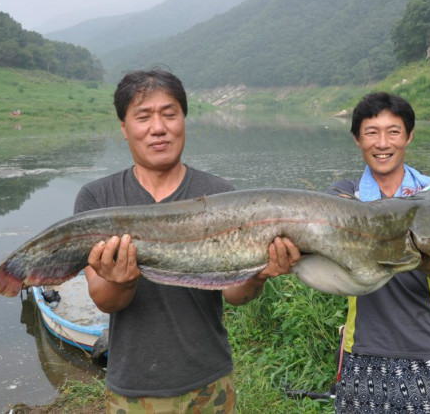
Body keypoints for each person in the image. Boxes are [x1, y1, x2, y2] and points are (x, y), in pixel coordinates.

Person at [74, 68, 300, 413]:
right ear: (124, 127)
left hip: (209, 384)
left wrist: (259, 273)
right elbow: (105, 300)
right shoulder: (97, 200)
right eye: (143, 116)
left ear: (184, 120)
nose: (158, 127)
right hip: (133, 388)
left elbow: (236, 295)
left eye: (169, 114)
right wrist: (122, 281)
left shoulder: (222, 196)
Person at [327, 92, 430, 413]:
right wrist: (408, 235)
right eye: (371, 132)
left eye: (393, 132)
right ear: (357, 139)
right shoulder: (343, 193)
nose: (383, 143)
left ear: (408, 136)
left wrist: (419, 256)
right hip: (361, 352)